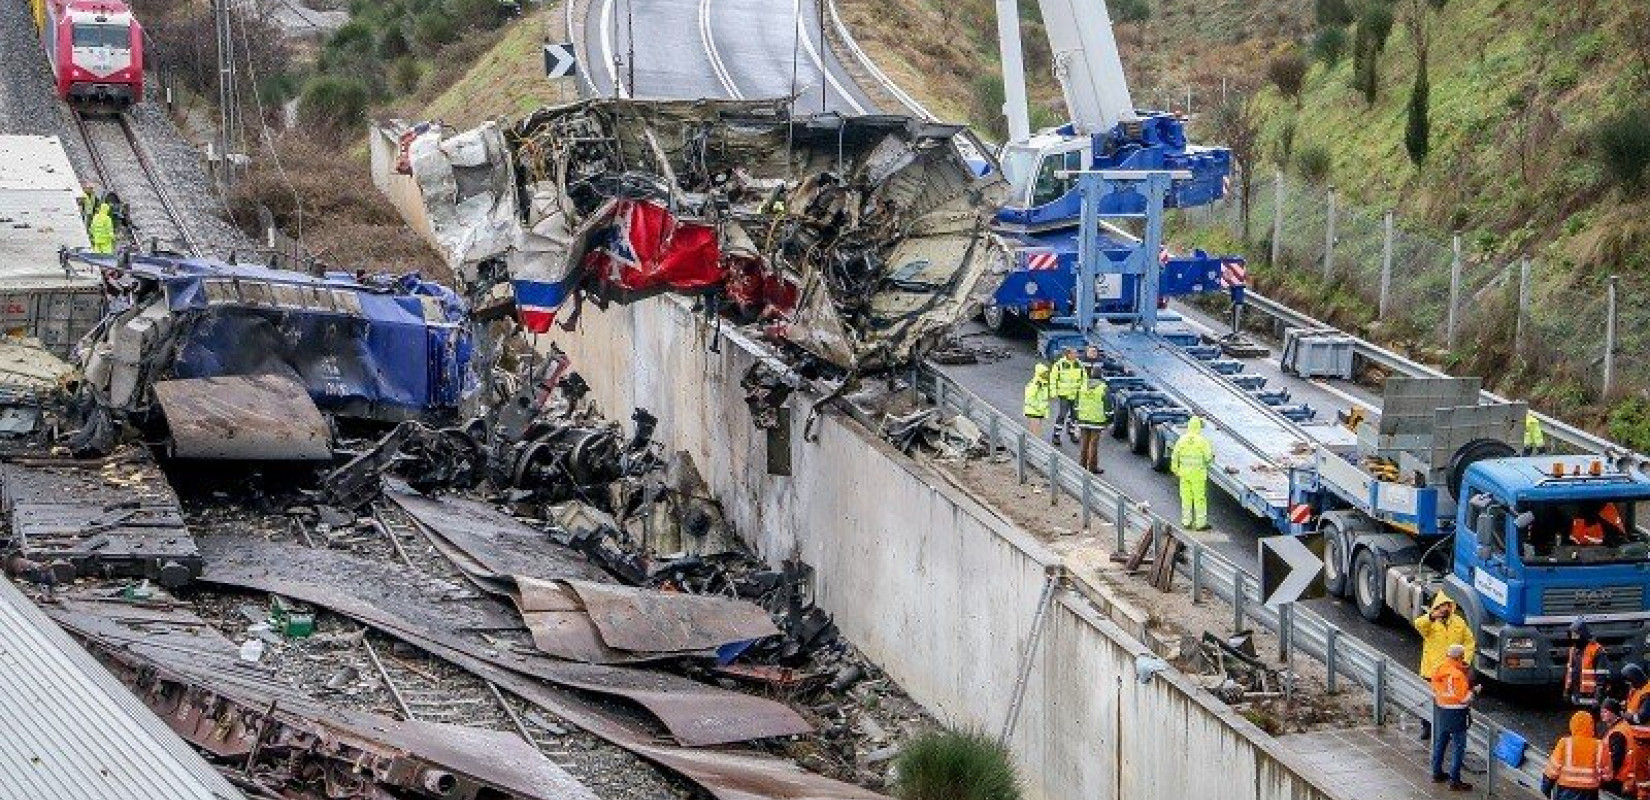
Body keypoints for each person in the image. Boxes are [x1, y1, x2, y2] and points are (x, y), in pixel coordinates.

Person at [1414, 592, 1476, 740]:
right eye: (1441, 606)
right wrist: (1431, 616)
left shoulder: (1459, 623)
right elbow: (1418, 624)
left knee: (1448, 701)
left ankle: (1445, 729)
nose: (1444, 609)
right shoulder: (1429, 622)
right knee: (1428, 700)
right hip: (1432, 670)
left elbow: (1469, 642)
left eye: (1447, 606)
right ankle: (1427, 727)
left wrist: (1465, 661)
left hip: (1452, 672)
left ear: (1451, 607)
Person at [1430, 642, 1478, 791]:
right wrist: (1475, 691)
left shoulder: (1440, 668)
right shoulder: (1458, 675)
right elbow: (1463, 698)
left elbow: (1435, 686)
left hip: (1442, 709)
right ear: (1459, 657)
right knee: (1459, 747)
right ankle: (1454, 780)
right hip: (1457, 713)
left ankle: (1436, 772)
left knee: (1441, 742)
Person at [1543, 711, 1608, 800]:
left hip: (1565, 793)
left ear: (1572, 725)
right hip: (1590, 794)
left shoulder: (1565, 743)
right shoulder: (1600, 745)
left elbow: (1552, 770)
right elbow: (1607, 775)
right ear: (1592, 726)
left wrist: (1546, 789)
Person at [1169, 416, 1213, 530]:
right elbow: (1208, 458)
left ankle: (1186, 522)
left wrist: (1175, 469)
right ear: (1198, 427)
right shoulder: (1202, 441)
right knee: (1199, 500)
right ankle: (1200, 524)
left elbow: (1175, 455)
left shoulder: (1182, 439)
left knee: (1186, 498)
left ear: (1189, 426)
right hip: (1198, 476)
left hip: (1184, 475)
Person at [1567, 618, 1610, 708]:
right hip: (1577, 698)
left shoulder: (1597, 650)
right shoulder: (1573, 650)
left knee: (1590, 720)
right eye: (1572, 636)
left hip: (1591, 698)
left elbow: (1602, 677)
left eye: (1576, 635)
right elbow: (1570, 672)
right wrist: (1567, 691)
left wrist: (1598, 698)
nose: (1573, 638)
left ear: (1583, 635)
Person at [1049, 348, 1085, 445]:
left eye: (1076, 353)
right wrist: (1053, 392)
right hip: (1064, 395)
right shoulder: (1059, 365)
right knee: (1062, 415)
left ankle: (1072, 433)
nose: (1076, 355)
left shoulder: (1079, 364)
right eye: (1074, 353)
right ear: (1068, 354)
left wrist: (1083, 391)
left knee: (1075, 416)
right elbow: (1053, 379)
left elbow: (1084, 379)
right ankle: (1056, 435)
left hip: (1076, 395)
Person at [1074, 375, 1108, 474]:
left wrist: (1077, 416)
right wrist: (1108, 419)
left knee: (1084, 442)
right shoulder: (1103, 388)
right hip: (1096, 421)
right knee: (1093, 444)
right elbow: (1108, 406)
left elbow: (1076, 403)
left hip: (1083, 419)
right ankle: (1092, 467)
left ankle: (1082, 464)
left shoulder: (1082, 386)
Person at [1601, 699, 1635, 796]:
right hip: (1624, 776)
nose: (1602, 714)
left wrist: (1603, 777)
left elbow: (1615, 760)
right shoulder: (1622, 726)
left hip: (1618, 779)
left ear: (1614, 713)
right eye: (1601, 711)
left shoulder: (1618, 732)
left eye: (1605, 711)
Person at [1023, 363, 1051, 437]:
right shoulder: (1035, 384)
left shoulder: (1043, 383)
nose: (1047, 374)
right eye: (1044, 373)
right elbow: (1029, 398)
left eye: (1047, 372)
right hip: (1034, 411)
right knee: (1036, 434)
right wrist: (1039, 408)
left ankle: (1028, 447)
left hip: (1038, 411)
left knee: (1034, 433)